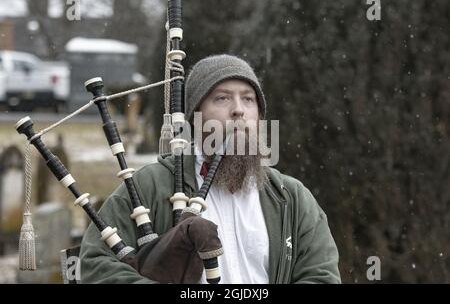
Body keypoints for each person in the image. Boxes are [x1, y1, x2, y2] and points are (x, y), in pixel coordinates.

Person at [79, 54, 341, 284]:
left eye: (248, 99)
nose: (238, 110)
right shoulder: (151, 185)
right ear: (197, 116)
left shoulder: (291, 198)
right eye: (222, 98)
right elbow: (94, 262)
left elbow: (321, 275)